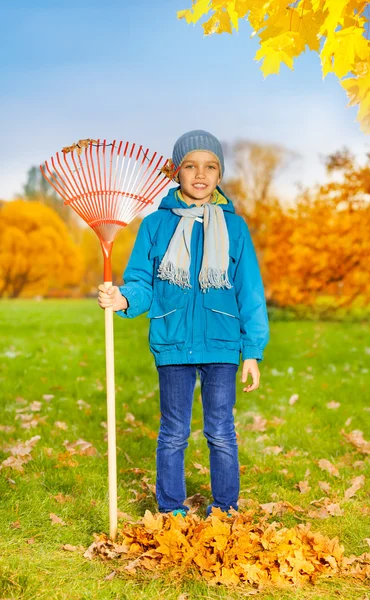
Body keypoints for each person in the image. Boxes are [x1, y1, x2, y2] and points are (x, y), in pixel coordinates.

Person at [98, 130, 269, 518]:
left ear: (219, 174)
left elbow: (250, 292)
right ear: (177, 172)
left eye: (210, 166)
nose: (200, 174)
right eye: (190, 165)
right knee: (173, 431)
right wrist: (124, 298)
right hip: (172, 341)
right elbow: (143, 280)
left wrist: (252, 352)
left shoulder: (235, 228)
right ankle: (170, 508)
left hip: (222, 344)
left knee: (220, 431)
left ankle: (226, 507)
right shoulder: (155, 225)